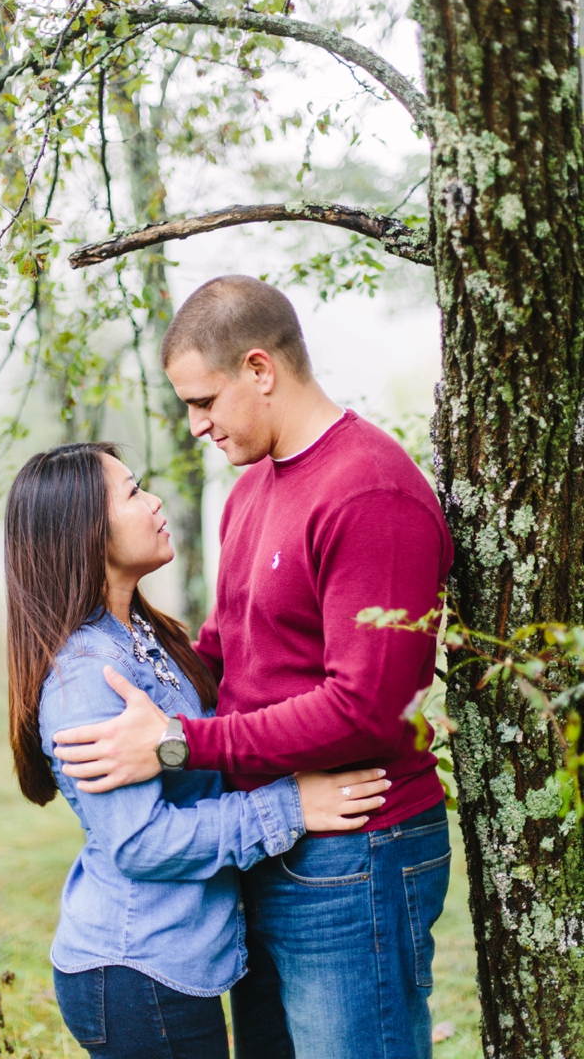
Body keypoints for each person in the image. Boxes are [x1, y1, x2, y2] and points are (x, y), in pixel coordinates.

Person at [53, 276, 456, 1059]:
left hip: (356, 848)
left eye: (205, 401)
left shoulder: (370, 492)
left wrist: (176, 744)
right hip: (268, 840)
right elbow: (227, 654)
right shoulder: (254, 492)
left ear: (260, 369)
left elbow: (367, 711)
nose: (197, 426)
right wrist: (116, 698)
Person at [4, 441, 388, 1059]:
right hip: (134, 973)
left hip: (169, 962)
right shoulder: (86, 679)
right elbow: (141, 841)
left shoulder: (143, 635)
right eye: (132, 492)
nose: (154, 502)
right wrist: (291, 807)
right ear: (86, 530)